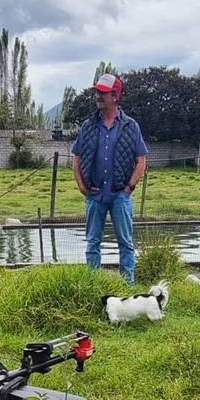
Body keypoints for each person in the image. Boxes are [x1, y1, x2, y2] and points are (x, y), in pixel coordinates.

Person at [71, 73, 148, 284]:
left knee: (125, 243)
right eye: (97, 92)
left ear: (115, 96)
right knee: (92, 243)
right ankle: (93, 285)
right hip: (94, 195)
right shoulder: (88, 126)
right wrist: (82, 187)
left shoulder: (131, 126)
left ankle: (128, 287)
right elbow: (76, 159)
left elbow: (141, 161)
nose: (98, 96)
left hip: (119, 196)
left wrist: (129, 188)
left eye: (103, 93)